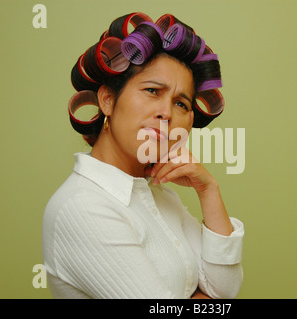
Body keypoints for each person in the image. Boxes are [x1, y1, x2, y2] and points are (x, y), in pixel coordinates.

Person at [42, 12, 244, 299]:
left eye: (181, 103)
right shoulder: (82, 206)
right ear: (108, 100)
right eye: (152, 90)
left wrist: (209, 190)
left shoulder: (163, 197)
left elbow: (225, 290)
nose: (166, 113)